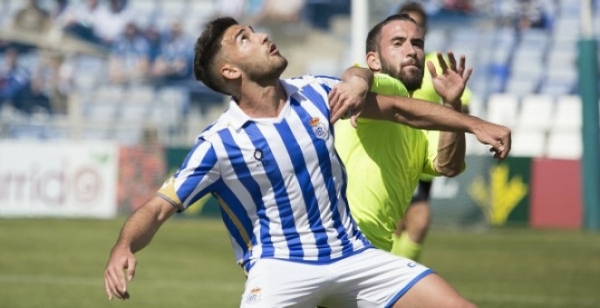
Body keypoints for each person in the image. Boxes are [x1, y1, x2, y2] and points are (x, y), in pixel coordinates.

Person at [104, 16, 510, 307]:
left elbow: (403, 110)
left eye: (254, 30)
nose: (262, 36)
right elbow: (158, 208)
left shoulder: (315, 94)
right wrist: (124, 245)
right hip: (282, 271)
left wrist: (473, 124)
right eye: (245, 38)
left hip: (354, 256)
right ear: (229, 70)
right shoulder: (219, 143)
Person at [334, 11, 470, 261]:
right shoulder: (383, 87)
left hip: (371, 253)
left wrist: (452, 104)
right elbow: (355, 75)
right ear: (373, 60)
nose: (411, 51)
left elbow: (448, 165)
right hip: (342, 248)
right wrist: (359, 83)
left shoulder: (419, 129)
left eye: (417, 43)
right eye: (398, 43)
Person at [394, 2, 473, 262]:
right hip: (391, 155)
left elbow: (463, 102)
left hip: (422, 157)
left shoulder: (435, 64)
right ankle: (392, 280)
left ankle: (397, 275)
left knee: (419, 220)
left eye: (417, 29)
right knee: (396, 223)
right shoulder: (384, 65)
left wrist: (457, 111)